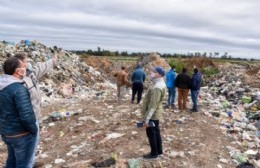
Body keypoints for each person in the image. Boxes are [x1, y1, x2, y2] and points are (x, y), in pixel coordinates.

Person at [14, 52, 58, 165]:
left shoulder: (30, 74)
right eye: (27, 62)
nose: (29, 63)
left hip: (32, 117)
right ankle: (27, 163)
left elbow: (41, 67)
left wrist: (53, 60)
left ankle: (29, 162)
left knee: (28, 146)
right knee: (27, 146)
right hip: (26, 120)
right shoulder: (16, 81)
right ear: (20, 64)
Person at [0, 56, 38, 168]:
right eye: (23, 66)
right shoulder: (19, 89)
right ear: (17, 71)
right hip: (21, 135)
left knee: (11, 162)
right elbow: (26, 115)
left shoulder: (2, 86)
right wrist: (34, 130)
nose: (26, 67)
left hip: (7, 133)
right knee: (24, 164)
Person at [141, 66, 166, 159]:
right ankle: (159, 151)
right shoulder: (159, 83)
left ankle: (154, 153)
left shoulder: (157, 87)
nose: (151, 73)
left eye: (154, 72)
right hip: (156, 113)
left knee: (151, 133)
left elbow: (152, 105)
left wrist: (146, 119)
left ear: (159, 74)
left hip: (152, 114)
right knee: (156, 132)